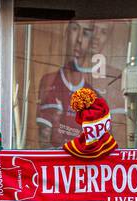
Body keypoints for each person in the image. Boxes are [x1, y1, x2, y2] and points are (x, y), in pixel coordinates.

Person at [34, 20, 128, 149]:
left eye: (85, 33)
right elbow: (43, 141)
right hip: (56, 166)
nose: (79, 39)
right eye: (74, 29)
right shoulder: (49, 81)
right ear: (66, 33)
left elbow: (109, 144)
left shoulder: (95, 94)